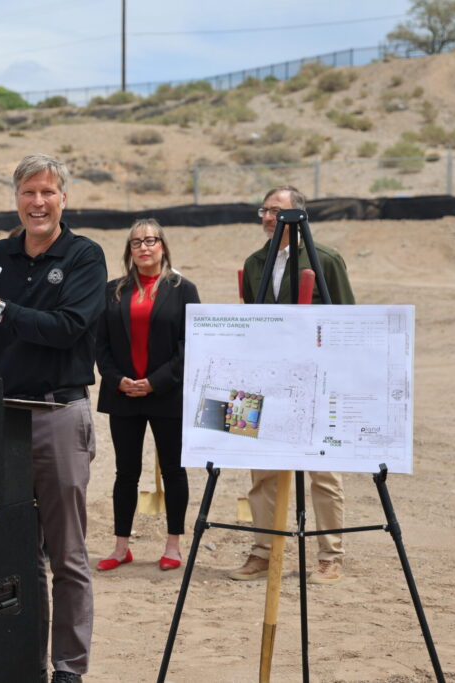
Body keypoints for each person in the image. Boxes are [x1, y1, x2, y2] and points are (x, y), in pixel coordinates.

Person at [0, 154, 106, 683]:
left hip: (58, 414)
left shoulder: (84, 256)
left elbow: (67, 327)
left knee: (67, 555)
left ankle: (69, 669)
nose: (38, 202)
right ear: (16, 198)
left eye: (47, 192)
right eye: (28, 192)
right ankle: (27, 663)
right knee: (18, 553)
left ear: (64, 198)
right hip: (3, 417)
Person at [228, 185, 355, 585]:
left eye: (277, 211)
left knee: (323, 471)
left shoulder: (325, 260)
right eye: (264, 211)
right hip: (266, 381)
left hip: (316, 382)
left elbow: (345, 318)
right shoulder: (254, 263)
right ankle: (263, 551)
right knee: (263, 473)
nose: (269, 218)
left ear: (298, 216)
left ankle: (330, 555)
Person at [94, 219, 200, 573]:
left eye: (151, 240)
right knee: (125, 473)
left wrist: (155, 382)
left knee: (173, 470)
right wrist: (117, 380)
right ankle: (121, 547)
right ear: (129, 250)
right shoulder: (113, 290)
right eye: (136, 242)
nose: (144, 247)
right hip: (123, 393)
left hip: (167, 393)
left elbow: (190, 344)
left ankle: (173, 545)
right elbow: (100, 344)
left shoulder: (183, 289)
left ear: (163, 246)